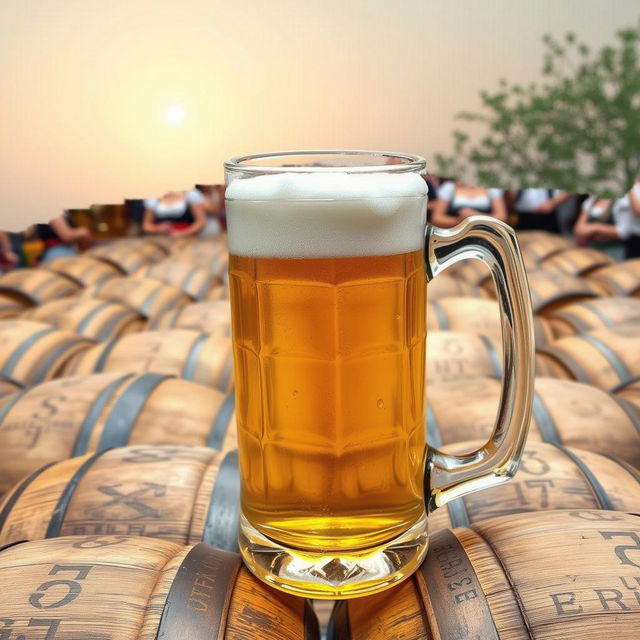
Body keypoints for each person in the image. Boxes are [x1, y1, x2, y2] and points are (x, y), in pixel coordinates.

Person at [573, 181, 640, 259]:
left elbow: (623, 232)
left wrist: (595, 228)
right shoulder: (592, 200)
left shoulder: (622, 201)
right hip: (591, 250)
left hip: (614, 251)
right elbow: (579, 229)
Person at [429, 180, 507, 228]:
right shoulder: (449, 187)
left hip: (486, 233)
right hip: (455, 233)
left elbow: (502, 216)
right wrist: (460, 221)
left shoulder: (491, 188)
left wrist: (476, 216)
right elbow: (436, 218)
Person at [142, 189, 207, 237]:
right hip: (160, 240)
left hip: (188, 239)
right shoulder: (153, 197)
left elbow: (201, 222)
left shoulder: (191, 194)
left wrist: (183, 233)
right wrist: (159, 229)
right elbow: (146, 226)